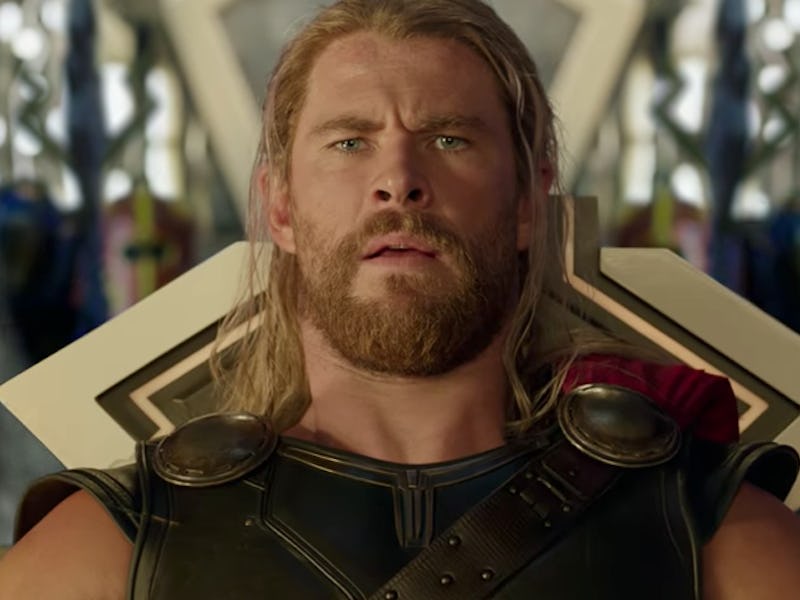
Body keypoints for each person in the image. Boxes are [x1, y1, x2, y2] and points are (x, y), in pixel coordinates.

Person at [2, 1, 800, 598]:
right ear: (281, 209)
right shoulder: (111, 549)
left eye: (449, 139)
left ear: (530, 201)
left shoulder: (710, 534)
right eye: (350, 142)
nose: (398, 180)